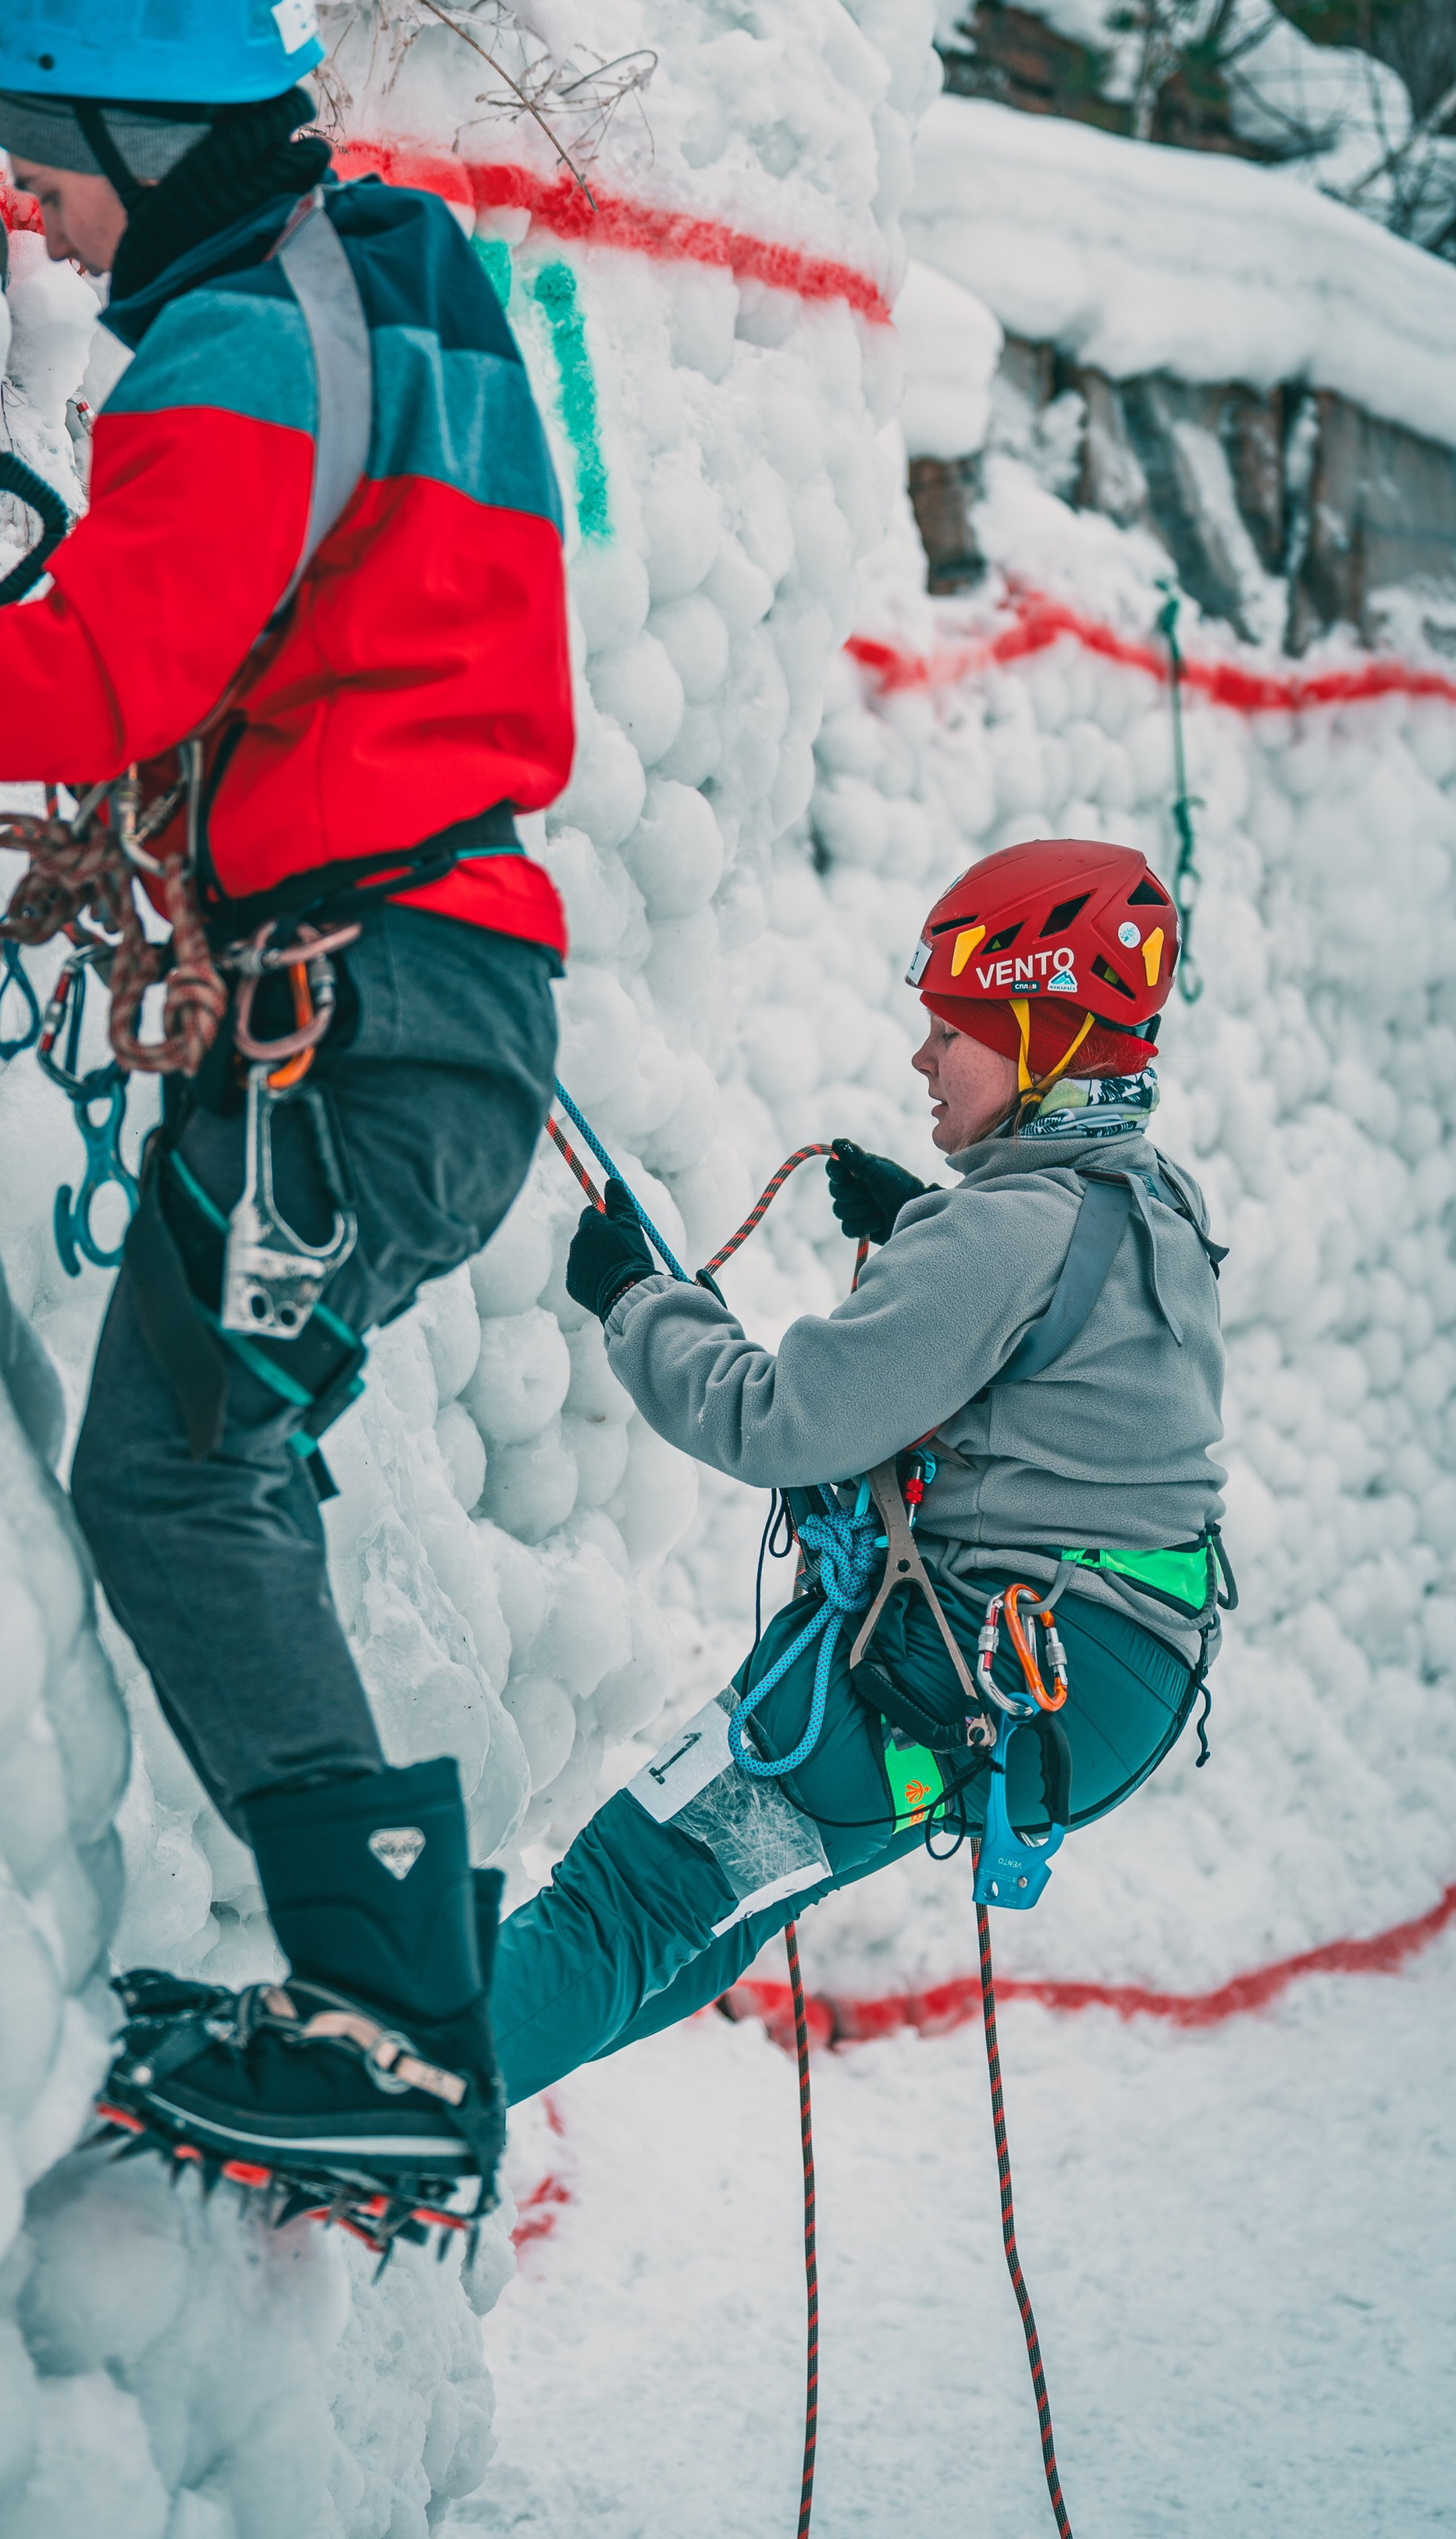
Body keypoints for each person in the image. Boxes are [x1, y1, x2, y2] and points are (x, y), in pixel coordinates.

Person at [0, 0, 575, 2235]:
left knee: (184, 1485)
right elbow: (328, 610)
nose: (30, 212)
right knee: (217, 1465)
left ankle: (395, 2035)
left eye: (42, 161)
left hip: (363, 1015)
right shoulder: (388, 282)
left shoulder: (236, 348)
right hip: (429, 995)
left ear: (142, 134)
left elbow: (108, 680)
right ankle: (387, 1999)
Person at [488, 837, 1230, 2106]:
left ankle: (354, 2092)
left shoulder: (1000, 1232)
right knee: (691, 1904)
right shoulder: (1146, 1197)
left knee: (630, 1896)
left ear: (1041, 1040)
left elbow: (778, 1420)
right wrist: (911, 1228)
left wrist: (638, 1303)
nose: (922, 1060)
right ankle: (413, 2096)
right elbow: (1049, 1362)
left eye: (952, 1032)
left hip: (976, 1663)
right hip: (1108, 1675)